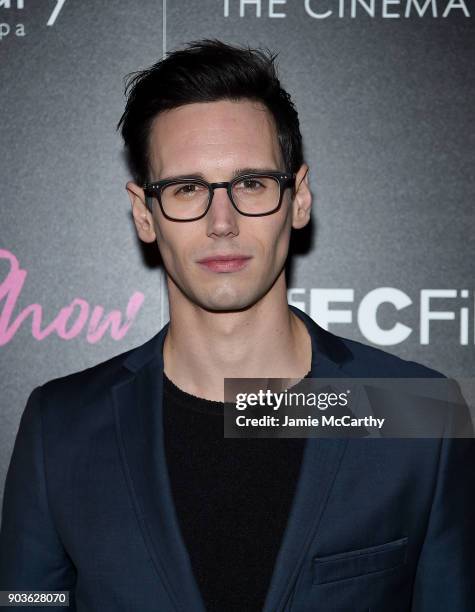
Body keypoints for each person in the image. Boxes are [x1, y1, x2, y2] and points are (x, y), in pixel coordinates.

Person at [0, 39, 474, 612]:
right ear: (143, 213)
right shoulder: (62, 426)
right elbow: (26, 600)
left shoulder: (414, 411)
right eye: (186, 188)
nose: (220, 221)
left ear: (297, 199)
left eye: (250, 183)